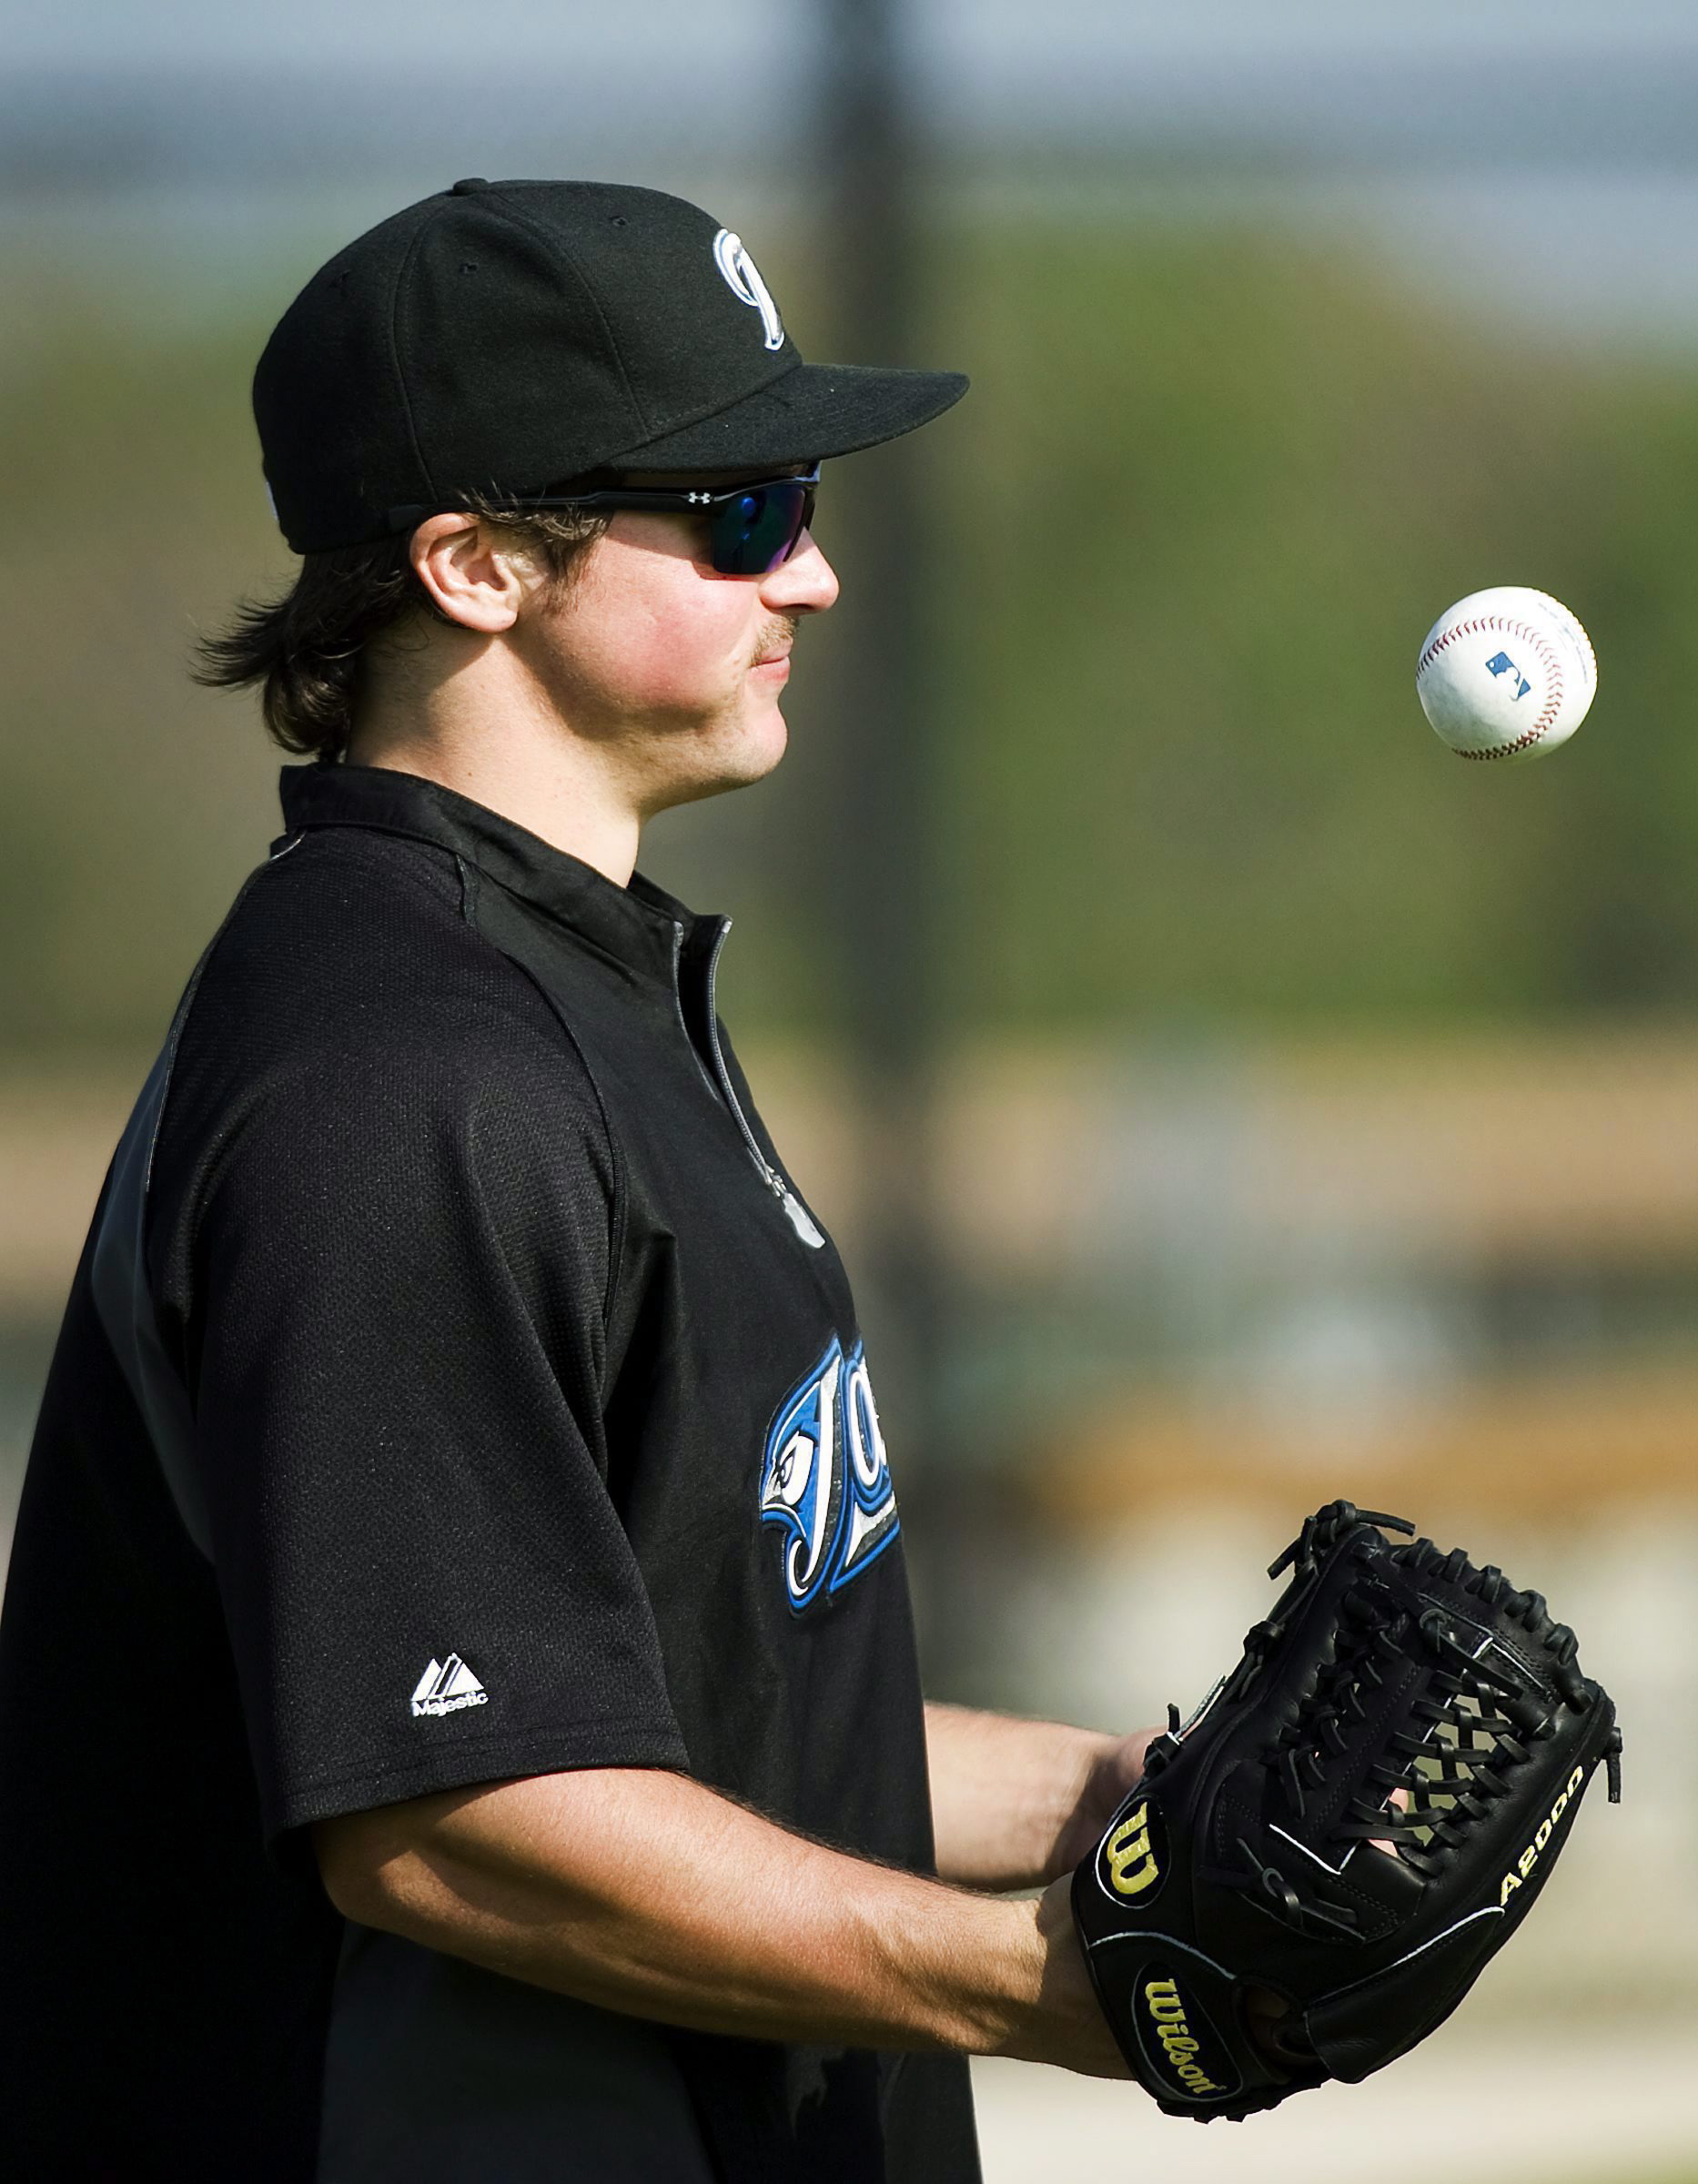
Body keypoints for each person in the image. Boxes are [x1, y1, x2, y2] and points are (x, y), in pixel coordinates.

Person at [0, 178, 1156, 2183]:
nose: (813, 576)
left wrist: (1130, 1802)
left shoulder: (565, 995)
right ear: (474, 564)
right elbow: (458, 1814)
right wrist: (1036, 1986)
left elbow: (698, 1712)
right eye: (741, 510)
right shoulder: (393, 1077)